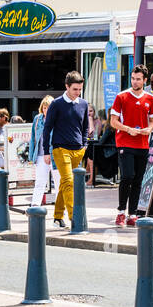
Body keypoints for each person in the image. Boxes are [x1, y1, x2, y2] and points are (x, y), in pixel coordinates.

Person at [41, 70, 89, 230]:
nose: (78, 92)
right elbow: (47, 128)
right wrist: (46, 151)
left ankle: (57, 217)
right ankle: (74, 217)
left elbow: (85, 127)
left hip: (78, 150)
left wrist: (84, 145)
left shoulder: (83, 104)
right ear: (67, 86)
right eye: (75, 89)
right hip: (60, 149)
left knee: (64, 183)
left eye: (80, 89)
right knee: (69, 182)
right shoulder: (56, 104)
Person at [111, 65, 153, 226]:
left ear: (145, 80)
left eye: (138, 79)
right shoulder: (121, 96)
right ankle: (120, 212)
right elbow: (113, 122)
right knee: (127, 176)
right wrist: (128, 129)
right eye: (133, 78)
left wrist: (148, 130)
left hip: (143, 144)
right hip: (124, 142)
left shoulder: (150, 99)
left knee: (138, 180)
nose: (135, 81)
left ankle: (132, 214)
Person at [29, 95, 60, 207]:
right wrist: (32, 155)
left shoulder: (58, 120)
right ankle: (35, 205)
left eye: (49, 108)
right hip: (41, 154)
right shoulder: (37, 119)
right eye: (44, 108)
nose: (46, 110)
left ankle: (60, 208)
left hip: (55, 154)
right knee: (40, 181)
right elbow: (33, 137)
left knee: (58, 183)